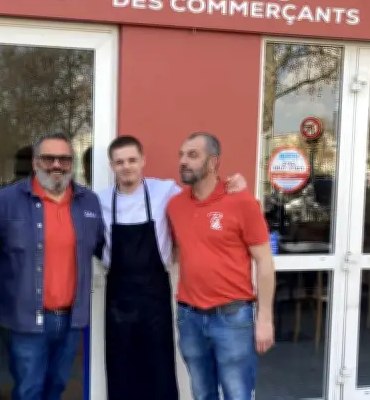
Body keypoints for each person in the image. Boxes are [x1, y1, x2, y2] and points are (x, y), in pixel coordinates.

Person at [96, 135, 247, 400]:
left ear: (143, 161)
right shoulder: (100, 201)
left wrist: (232, 186)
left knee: (160, 368)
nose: (126, 166)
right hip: (118, 296)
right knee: (121, 368)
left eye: (132, 160)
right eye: (119, 162)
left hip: (155, 295)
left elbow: (204, 193)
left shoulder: (165, 191)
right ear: (111, 166)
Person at [0, 131, 105, 400]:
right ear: (36, 162)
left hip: (71, 318)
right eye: (49, 158)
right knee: (29, 389)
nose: (56, 165)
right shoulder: (5, 201)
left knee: (57, 386)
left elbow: (103, 246)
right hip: (25, 318)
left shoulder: (89, 202)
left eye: (64, 159)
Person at [167, 132, 275, 400]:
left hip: (232, 318)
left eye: (193, 155)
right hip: (189, 317)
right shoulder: (174, 205)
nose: (183, 161)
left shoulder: (242, 202)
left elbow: (264, 261)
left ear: (213, 162)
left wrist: (264, 319)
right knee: (201, 393)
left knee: (237, 394)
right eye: (181, 154)